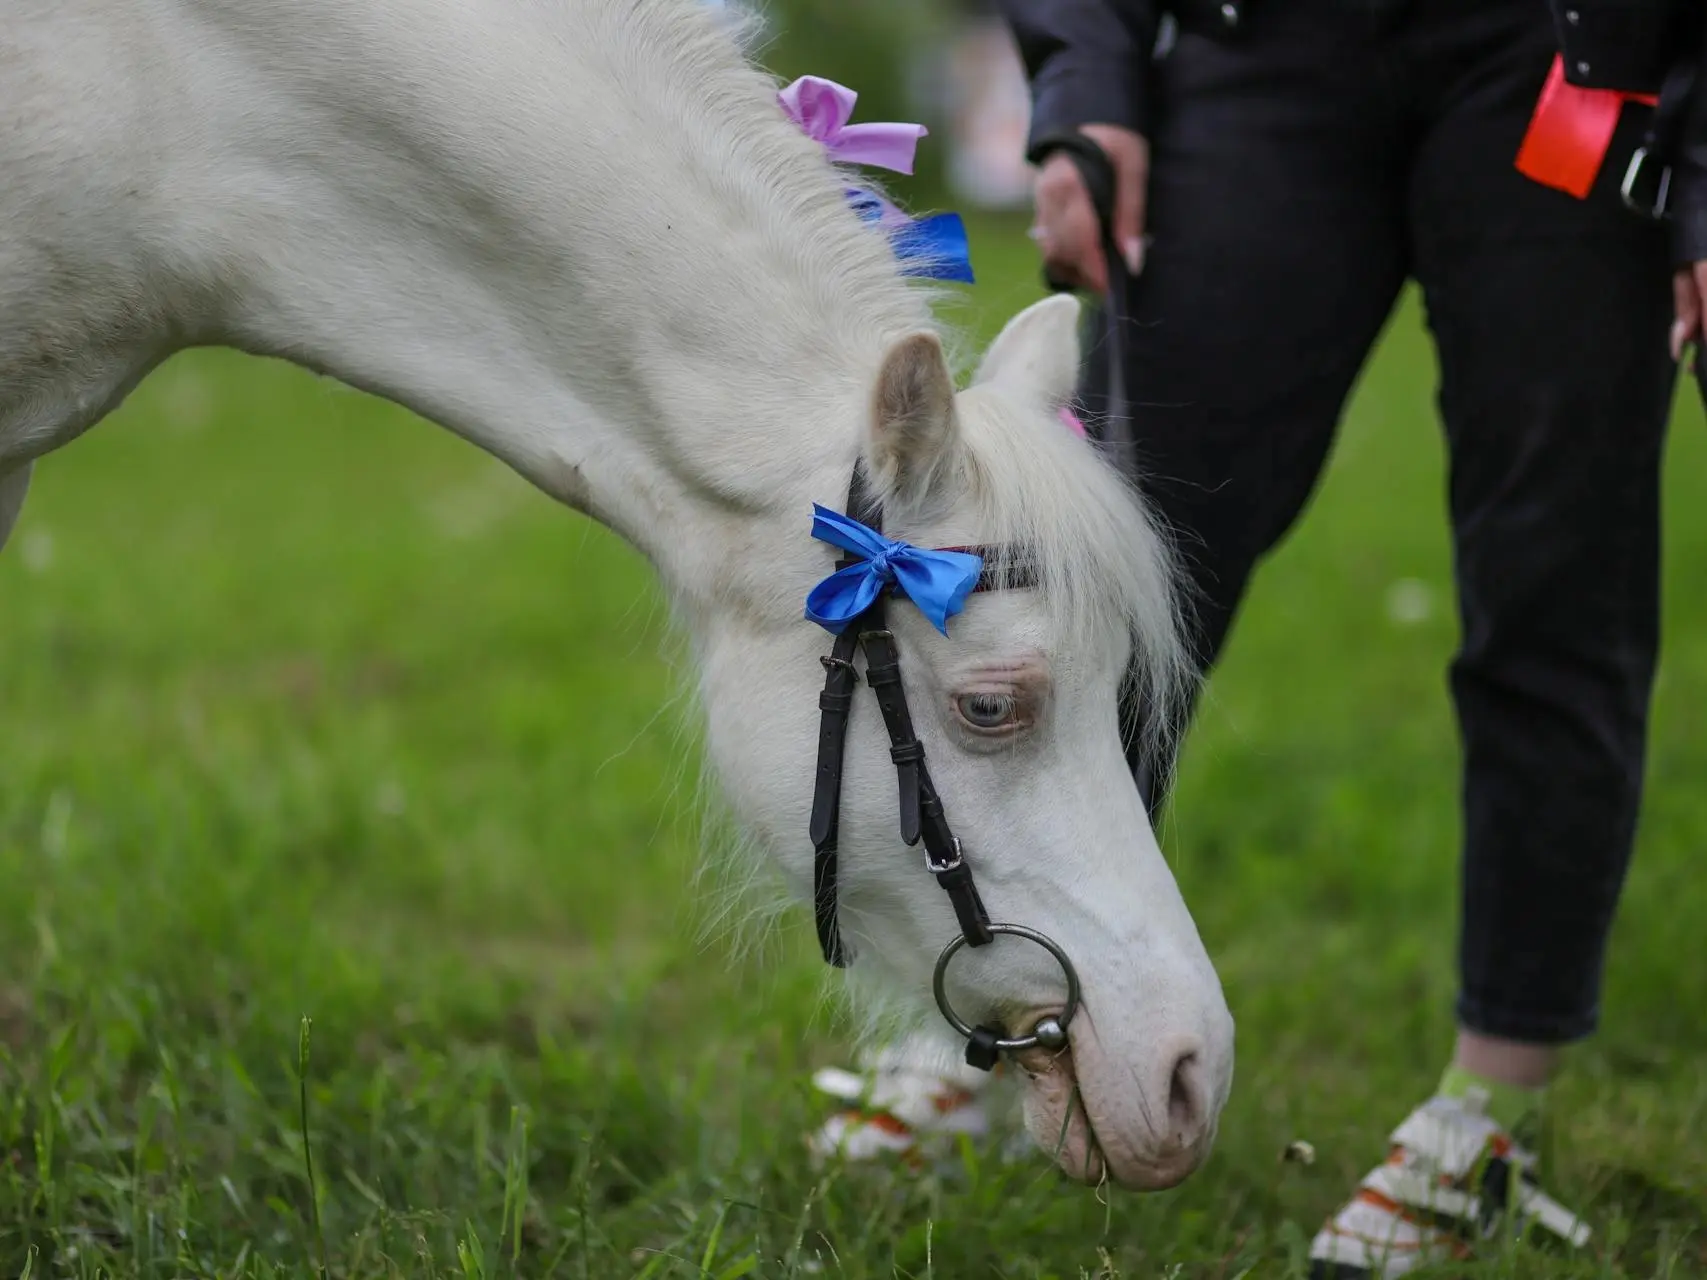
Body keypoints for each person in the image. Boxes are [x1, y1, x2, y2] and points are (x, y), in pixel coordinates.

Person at [809, 0, 1707, 1274]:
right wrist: (1088, 78)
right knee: (1099, 556)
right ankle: (1006, 1013)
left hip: (1576, 58)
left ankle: (1488, 1119)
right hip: (1266, 47)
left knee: (1558, 583)